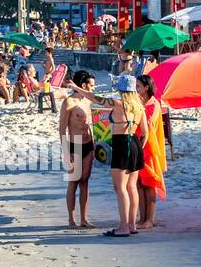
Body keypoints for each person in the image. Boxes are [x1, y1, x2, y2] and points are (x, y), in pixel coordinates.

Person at [103, 74, 144, 237]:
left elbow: (96, 99)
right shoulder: (139, 106)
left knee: (120, 189)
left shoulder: (118, 103)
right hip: (135, 143)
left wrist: (77, 89)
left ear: (120, 89)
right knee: (131, 187)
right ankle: (132, 224)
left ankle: (123, 227)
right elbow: (145, 133)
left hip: (122, 143)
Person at [58, 77, 95, 228]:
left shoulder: (88, 100)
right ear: (84, 85)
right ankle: (71, 219)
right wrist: (67, 153)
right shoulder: (69, 102)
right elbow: (62, 129)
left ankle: (84, 219)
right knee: (73, 183)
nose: (94, 87)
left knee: (85, 183)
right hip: (75, 145)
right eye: (92, 85)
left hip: (88, 145)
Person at [135, 74, 167, 229]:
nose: (136, 89)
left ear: (146, 87)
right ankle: (142, 218)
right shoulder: (138, 102)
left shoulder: (154, 104)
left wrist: (138, 109)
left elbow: (147, 123)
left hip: (149, 148)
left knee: (149, 184)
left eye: (139, 87)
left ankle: (150, 219)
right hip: (138, 146)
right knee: (139, 184)